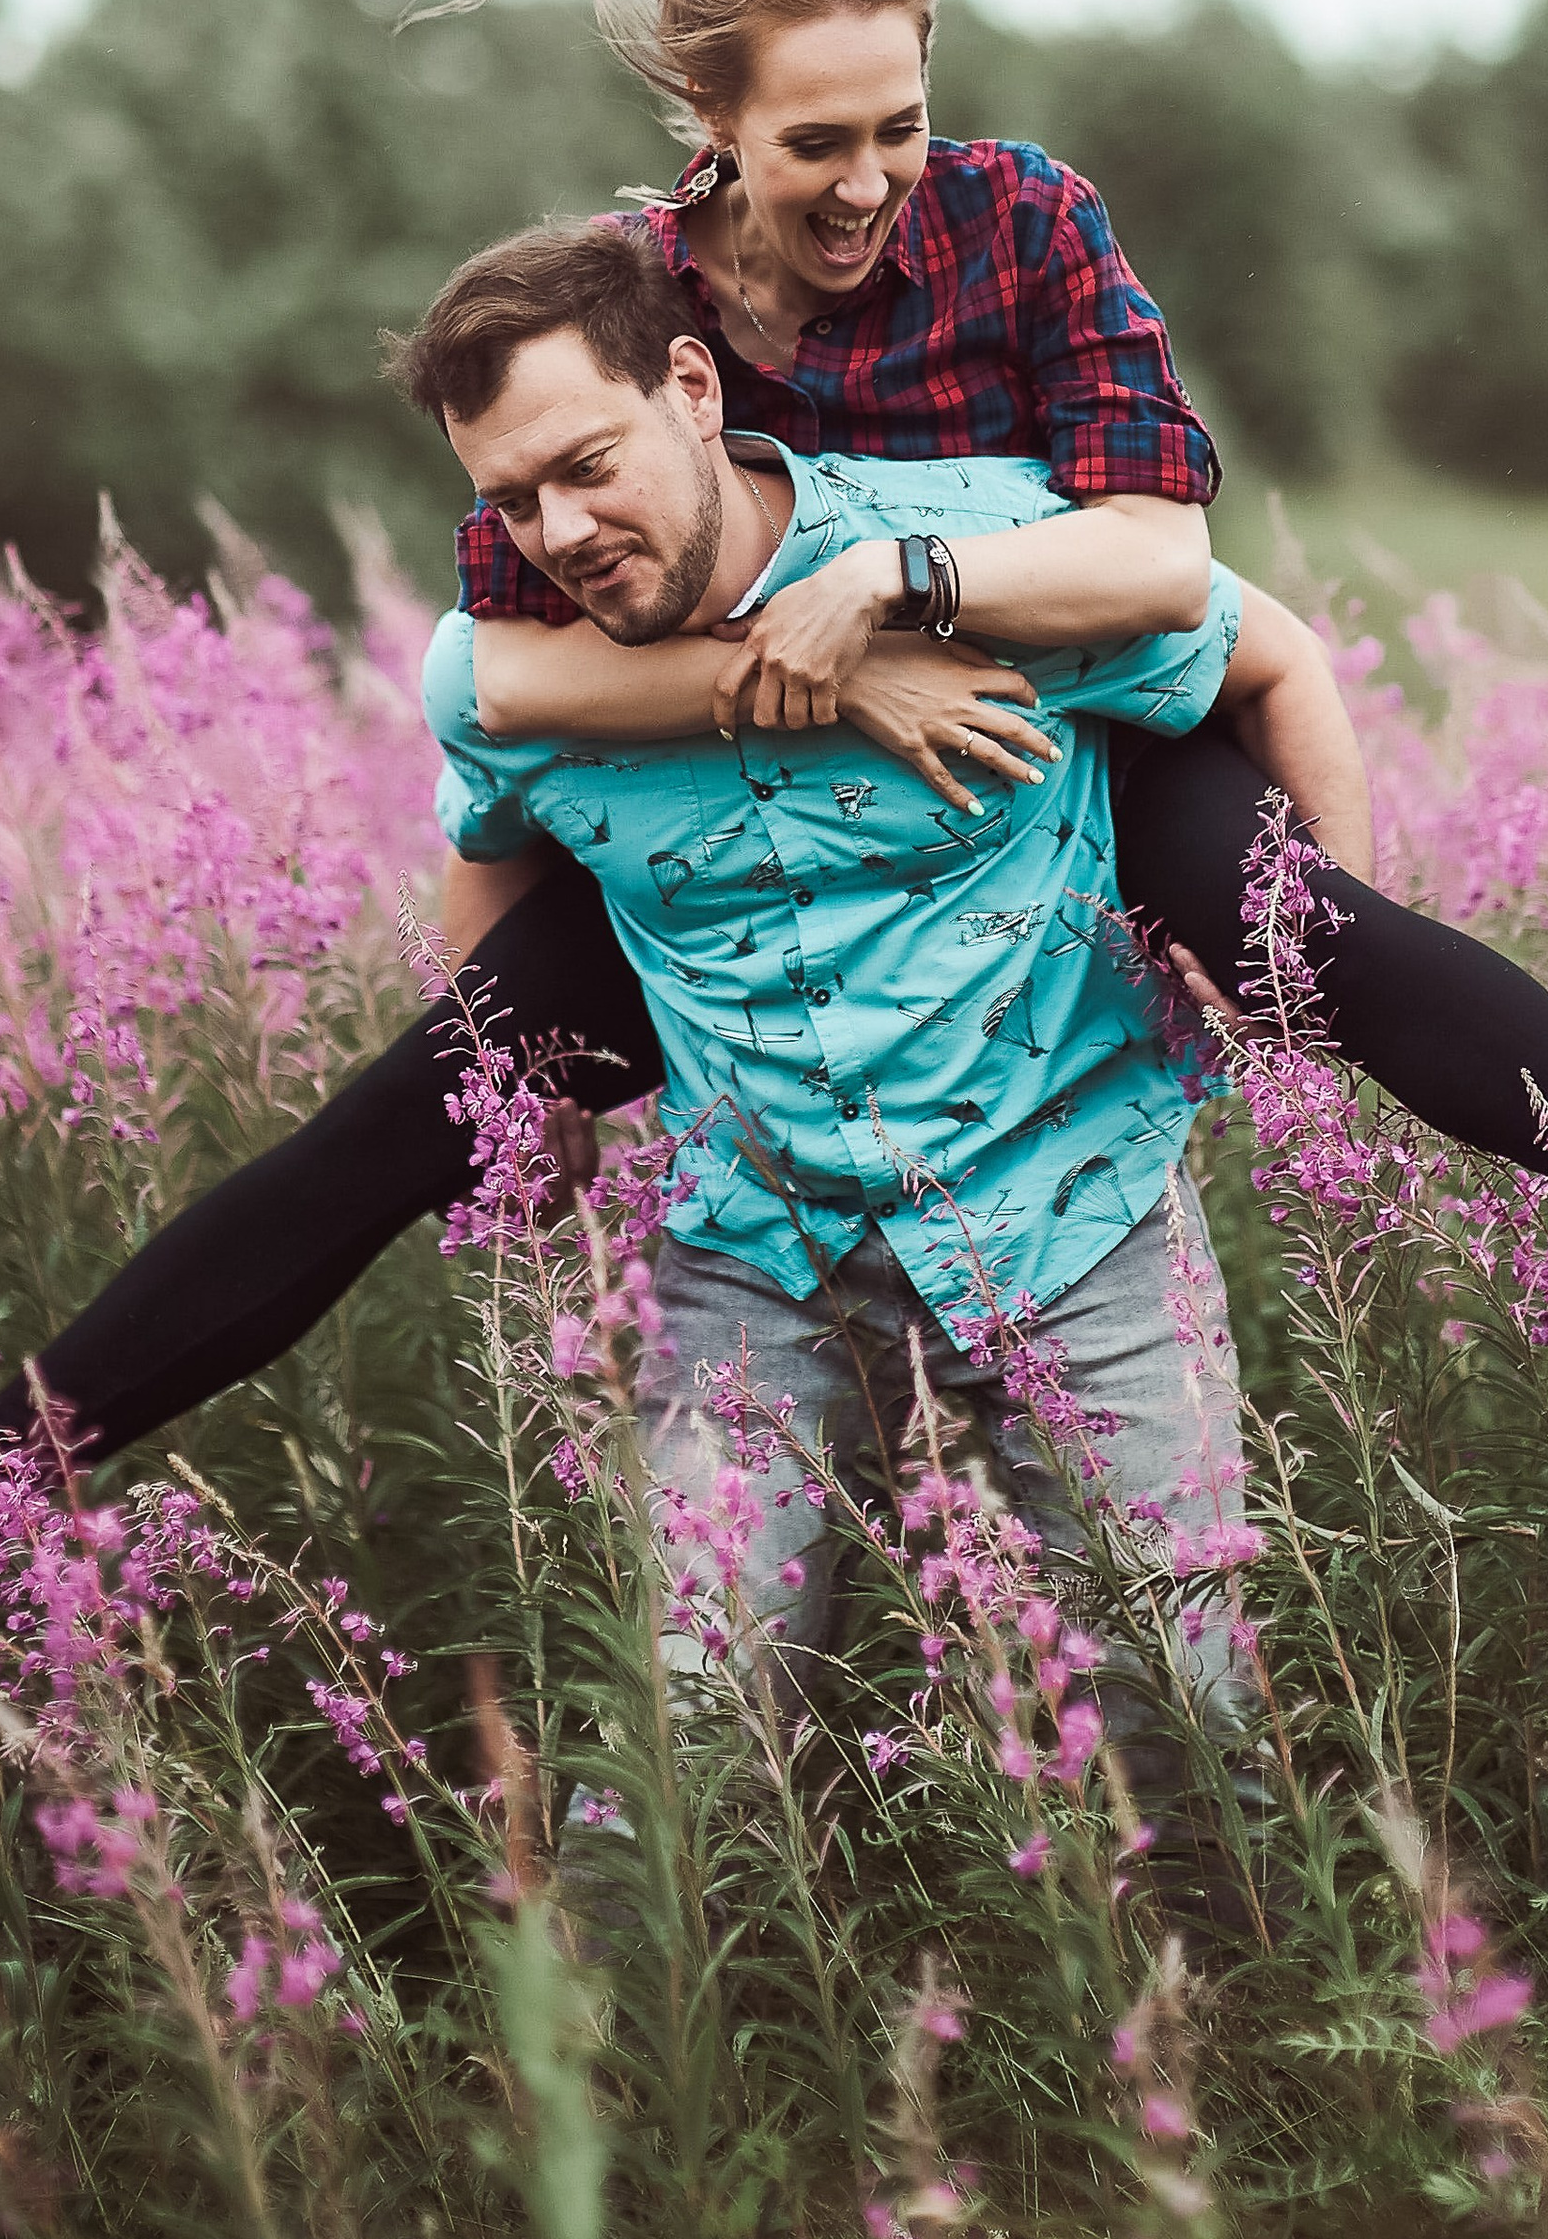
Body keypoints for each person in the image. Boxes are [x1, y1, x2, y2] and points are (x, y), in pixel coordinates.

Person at [444, 0, 1548, 1329]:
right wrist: (830, 683)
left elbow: (1162, 558)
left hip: (1070, 730)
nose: (871, 185)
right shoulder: (628, 294)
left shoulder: (1025, 219)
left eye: (900, 126)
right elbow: (507, 659)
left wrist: (886, 593)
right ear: (710, 122)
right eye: (815, 146)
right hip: (761, 797)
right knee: (413, 1108)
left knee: (1315, 936)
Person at [410, 222, 1326, 1883]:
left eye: (586, 467)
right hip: (754, 1253)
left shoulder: (980, 553)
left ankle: (1247, 2094)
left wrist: (1310, 966)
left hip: (1073, 1209)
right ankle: (633, 2124)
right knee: (680, 1779)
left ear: (691, 384)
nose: (556, 533)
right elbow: (491, 830)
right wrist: (515, 1090)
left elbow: (1262, 654)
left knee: (1191, 1739)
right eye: (508, 500)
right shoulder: (528, 672)